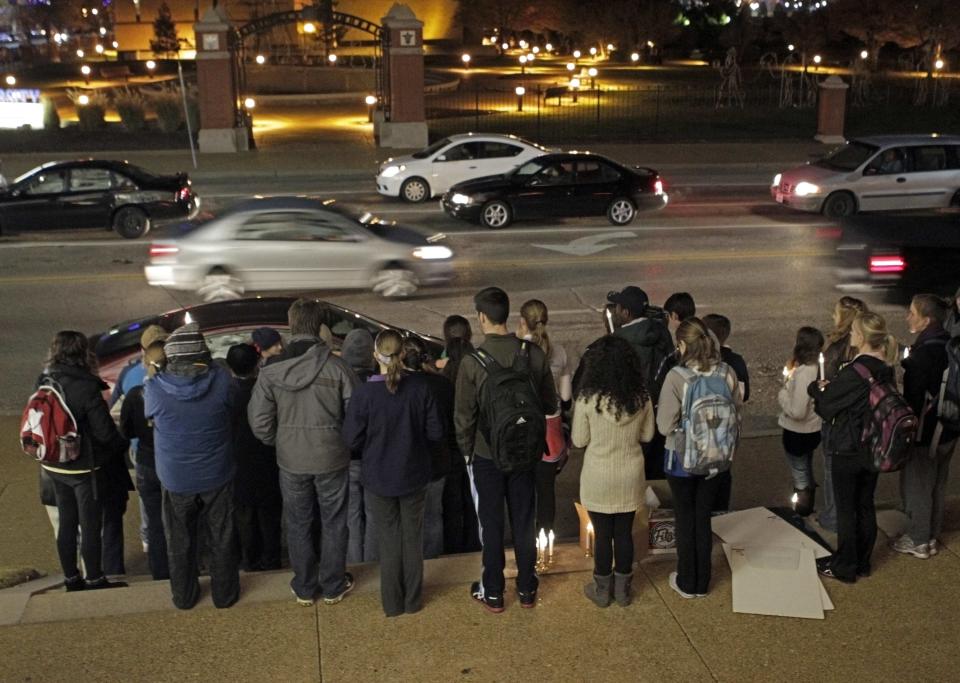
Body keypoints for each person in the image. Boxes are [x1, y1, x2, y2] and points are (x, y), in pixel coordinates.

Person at [248, 298, 359, 606]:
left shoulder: (271, 372)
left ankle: (305, 587)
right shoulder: (338, 368)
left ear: (291, 326)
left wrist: (280, 439)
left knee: (297, 521)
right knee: (334, 520)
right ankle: (334, 584)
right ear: (320, 327)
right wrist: (342, 442)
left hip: (290, 459)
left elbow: (259, 422)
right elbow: (357, 418)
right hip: (332, 458)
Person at [455, 287, 558, 613]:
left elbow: (463, 417)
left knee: (492, 523)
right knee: (524, 521)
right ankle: (527, 589)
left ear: (481, 317)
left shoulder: (472, 363)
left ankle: (495, 592)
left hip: (487, 456)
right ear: (509, 315)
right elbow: (550, 404)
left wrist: (467, 453)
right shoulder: (533, 355)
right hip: (526, 454)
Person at [343, 330, 442, 616]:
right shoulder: (421, 388)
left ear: (376, 356)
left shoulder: (364, 394)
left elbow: (351, 439)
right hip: (414, 473)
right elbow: (435, 432)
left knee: (388, 540)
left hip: (378, 476)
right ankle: (413, 600)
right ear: (402, 355)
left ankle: (392, 603)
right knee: (413, 538)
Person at [144, 322, 239, 609]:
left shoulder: (154, 389)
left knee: (180, 540)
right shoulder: (222, 381)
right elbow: (233, 408)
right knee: (221, 536)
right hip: (217, 473)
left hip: (175, 478)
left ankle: (183, 596)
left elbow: (150, 417)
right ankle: (224, 595)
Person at [808, 311, 897, 583]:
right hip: (874, 445)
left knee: (846, 508)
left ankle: (845, 565)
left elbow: (826, 406)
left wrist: (816, 388)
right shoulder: (886, 368)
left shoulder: (856, 371)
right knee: (865, 504)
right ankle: (862, 562)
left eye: (854, 332)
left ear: (860, 336)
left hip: (848, 447)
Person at [657, 317, 741, 599]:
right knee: (703, 517)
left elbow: (664, 425)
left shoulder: (676, 377)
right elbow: (736, 412)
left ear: (682, 345)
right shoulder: (727, 373)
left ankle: (686, 580)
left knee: (685, 517)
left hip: (682, 460)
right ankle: (702, 582)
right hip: (717, 458)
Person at [39, 331, 128, 591]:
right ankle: (95, 578)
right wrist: (121, 444)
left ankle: (71, 578)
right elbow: (104, 432)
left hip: (54, 463)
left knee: (67, 521)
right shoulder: (87, 386)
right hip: (83, 465)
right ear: (83, 353)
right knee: (89, 523)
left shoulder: (45, 379)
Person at [573, 336, 655, 608]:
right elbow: (647, 435)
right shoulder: (641, 397)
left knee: (602, 536)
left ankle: (601, 590)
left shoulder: (587, 399)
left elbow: (579, 440)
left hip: (598, 476)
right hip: (630, 474)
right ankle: (622, 591)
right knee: (624, 534)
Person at [894, 295, 957, 559]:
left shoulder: (923, 355)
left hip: (926, 431)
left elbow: (912, 401)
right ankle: (931, 533)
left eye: (912, 312)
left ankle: (919, 540)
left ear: (926, 319)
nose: (908, 317)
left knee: (919, 483)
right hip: (951, 427)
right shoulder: (950, 345)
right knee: (938, 482)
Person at [118, 330, 170, 580]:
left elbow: (125, 431)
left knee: (153, 517)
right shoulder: (173, 390)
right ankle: (185, 564)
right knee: (178, 515)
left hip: (146, 459)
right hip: (172, 459)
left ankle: (159, 570)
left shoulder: (135, 392)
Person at [518, 299, 572, 539]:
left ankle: (524, 540)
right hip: (551, 430)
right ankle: (545, 539)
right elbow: (566, 396)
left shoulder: (517, 351)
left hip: (523, 428)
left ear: (522, 322)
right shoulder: (559, 351)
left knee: (523, 489)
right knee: (546, 491)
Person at [226, 343, 282, 572]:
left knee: (245, 517)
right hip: (267, 459)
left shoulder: (227, 395)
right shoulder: (267, 391)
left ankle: (250, 560)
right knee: (269, 516)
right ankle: (272, 560)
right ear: (257, 364)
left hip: (237, 464)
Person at [399, 335, 455, 559]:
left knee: (408, 519)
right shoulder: (441, 383)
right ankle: (432, 561)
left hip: (408, 463)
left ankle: (412, 563)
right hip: (437, 461)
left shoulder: (398, 386)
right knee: (433, 515)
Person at [818, 296, 869, 533]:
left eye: (836, 312)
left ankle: (832, 519)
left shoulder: (837, 349)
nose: (832, 316)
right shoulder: (869, 347)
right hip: (864, 422)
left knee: (832, 473)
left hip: (838, 422)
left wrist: (817, 390)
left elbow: (827, 391)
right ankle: (851, 517)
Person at [702, 313, 748, 512]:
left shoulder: (693, 365)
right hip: (726, 435)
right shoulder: (735, 362)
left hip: (701, 437)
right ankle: (722, 514)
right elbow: (743, 396)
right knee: (723, 475)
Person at [339, 328, 377, 564]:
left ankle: (354, 564)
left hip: (348, 459)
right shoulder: (379, 383)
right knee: (374, 517)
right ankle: (374, 564)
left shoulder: (340, 380)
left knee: (351, 517)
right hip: (375, 461)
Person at [778, 326, 825, 517]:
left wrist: (782, 394)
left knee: (800, 473)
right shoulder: (819, 368)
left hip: (798, 431)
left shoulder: (805, 372)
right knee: (805, 467)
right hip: (813, 429)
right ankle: (808, 504)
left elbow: (797, 411)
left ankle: (803, 510)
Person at [441, 335, 481, 553]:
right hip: (473, 447)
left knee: (453, 502)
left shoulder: (443, 381)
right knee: (473, 499)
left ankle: (454, 546)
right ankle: (474, 542)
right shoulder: (475, 377)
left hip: (451, 449)